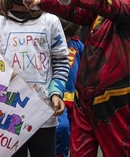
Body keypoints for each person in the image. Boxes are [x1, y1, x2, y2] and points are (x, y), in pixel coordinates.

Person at [27, 0, 130, 156]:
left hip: (113, 99)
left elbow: (103, 2)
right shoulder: (101, 12)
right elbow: (75, 11)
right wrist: (42, 0)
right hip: (84, 98)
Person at [0, 0, 70, 157]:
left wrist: (56, 92)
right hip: (6, 117)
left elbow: (60, 60)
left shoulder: (51, 22)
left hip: (43, 113)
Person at [55, 18, 84, 157]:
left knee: (76, 134)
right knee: (62, 128)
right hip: (57, 97)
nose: (64, 40)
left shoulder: (77, 45)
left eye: (67, 36)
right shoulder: (50, 46)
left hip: (75, 98)